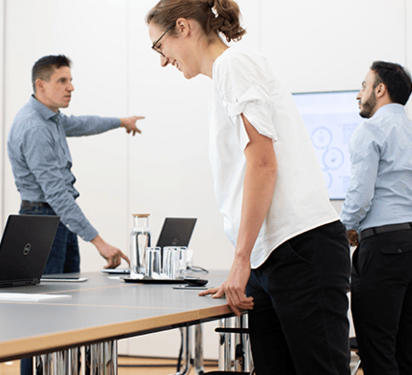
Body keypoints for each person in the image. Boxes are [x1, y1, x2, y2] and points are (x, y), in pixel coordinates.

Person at [146, 1, 351, 374]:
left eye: (160, 46)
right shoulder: (225, 78)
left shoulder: (233, 64)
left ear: (183, 27)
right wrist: (248, 264)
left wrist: (240, 261)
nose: (162, 60)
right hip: (271, 257)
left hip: (301, 249)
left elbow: (262, 163)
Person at [7, 54, 143, 274]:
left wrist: (121, 122)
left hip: (57, 218)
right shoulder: (35, 128)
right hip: (42, 220)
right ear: (40, 85)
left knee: (66, 296)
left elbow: (83, 124)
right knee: (52, 301)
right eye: (62, 81)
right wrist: (99, 242)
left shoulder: (51, 119)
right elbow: (56, 194)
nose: (70, 87)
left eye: (70, 80)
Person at [340, 61, 412, 375]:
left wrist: (345, 229)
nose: (359, 94)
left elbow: (360, 193)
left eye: (364, 86)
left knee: (376, 346)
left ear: (380, 89)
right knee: (407, 349)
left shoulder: (371, 129)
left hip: (383, 249)